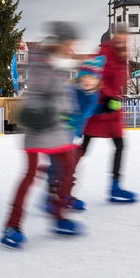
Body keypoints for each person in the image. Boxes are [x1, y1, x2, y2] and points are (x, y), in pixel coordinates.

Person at [0, 21, 82, 249]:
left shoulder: (60, 63)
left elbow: (63, 95)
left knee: (68, 167)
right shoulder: (41, 61)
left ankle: (58, 215)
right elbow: (45, 91)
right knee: (30, 174)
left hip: (56, 129)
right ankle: (12, 225)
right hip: (39, 126)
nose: (71, 48)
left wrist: (70, 112)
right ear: (61, 42)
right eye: (69, 44)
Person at [79, 23, 137, 203]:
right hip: (99, 107)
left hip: (112, 109)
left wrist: (114, 99)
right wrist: (106, 96)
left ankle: (115, 186)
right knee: (83, 148)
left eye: (125, 37)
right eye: (120, 36)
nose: (122, 39)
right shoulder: (104, 53)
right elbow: (94, 77)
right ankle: (61, 184)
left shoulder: (122, 55)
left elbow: (119, 80)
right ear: (115, 36)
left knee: (120, 145)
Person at [44, 56, 105, 212]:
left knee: (69, 166)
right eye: (85, 77)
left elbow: (87, 112)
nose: (88, 81)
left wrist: (104, 107)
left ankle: (65, 194)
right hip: (59, 131)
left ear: (98, 80)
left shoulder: (94, 95)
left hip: (72, 133)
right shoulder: (72, 90)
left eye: (92, 78)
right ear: (79, 77)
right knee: (60, 165)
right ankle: (52, 196)